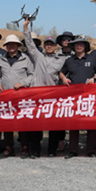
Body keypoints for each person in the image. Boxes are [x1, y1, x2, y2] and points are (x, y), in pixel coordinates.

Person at [23, 19, 66, 157]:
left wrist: (64, 78)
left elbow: (68, 71)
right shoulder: (38, 57)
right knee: (35, 124)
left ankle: (52, 150)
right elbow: (29, 45)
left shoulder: (61, 60)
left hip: (52, 97)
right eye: (46, 44)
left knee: (53, 125)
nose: (48, 46)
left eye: (51, 44)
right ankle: (35, 151)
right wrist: (25, 28)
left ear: (55, 46)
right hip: (36, 95)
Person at [0, 34, 34, 158]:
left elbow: (32, 75)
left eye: (14, 44)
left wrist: (22, 83)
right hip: (6, 96)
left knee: (23, 122)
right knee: (7, 122)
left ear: (18, 45)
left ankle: (24, 146)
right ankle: (8, 147)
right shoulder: (1, 60)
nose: (11, 46)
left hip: (21, 96)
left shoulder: (25, 59)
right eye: (9, 44)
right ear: (6, 46)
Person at [60, 36, 96, 158]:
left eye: (81, 44)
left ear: (85, 46)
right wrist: (64, 79)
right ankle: (73, 150)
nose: (79, 46)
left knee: (91, 123)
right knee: (73, 123)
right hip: (74, 96)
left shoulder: (92, 59)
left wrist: (94, 78)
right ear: (73, 47)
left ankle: (91, 150)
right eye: (76, 44)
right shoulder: (69, 60)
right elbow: (61, 72)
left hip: (89, 96)